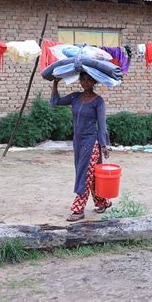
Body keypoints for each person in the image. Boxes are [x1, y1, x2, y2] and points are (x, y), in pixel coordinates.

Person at [50, 72, 111, 221]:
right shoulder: (75, 97)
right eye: (83, 78)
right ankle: (103, 202)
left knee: (84, 174)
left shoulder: (98, 101)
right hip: (78, 142)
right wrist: (55, 84)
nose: (85, 82)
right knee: (91, 175)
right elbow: (55, 102)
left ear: (94, 81)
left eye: (89, 79)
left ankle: (78, 210)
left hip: (92, 143)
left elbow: (101, 125)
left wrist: (104, 145)